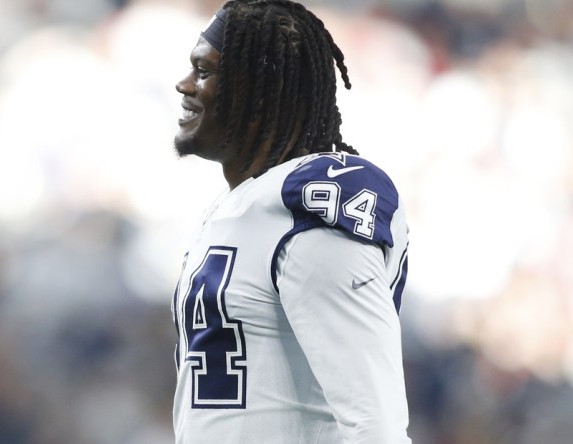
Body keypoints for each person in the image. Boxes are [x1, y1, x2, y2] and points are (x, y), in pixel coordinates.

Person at [170, 0, 412, 443]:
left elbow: (375, 425)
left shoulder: (310, 208)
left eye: (204, 71)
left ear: (254, 91)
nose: (184, 85)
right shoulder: (239, 207)